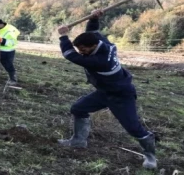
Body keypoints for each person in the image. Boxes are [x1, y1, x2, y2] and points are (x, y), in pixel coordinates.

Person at [57, 10, 157, 169]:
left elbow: (70, 55)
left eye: (83, 49)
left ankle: (151, 156)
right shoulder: (102, 42)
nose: (81, 52)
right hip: (105, 91)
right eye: (80, 49)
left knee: (133, 127)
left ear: (93, 46)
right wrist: (93, 18)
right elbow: (93, 32)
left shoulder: (100, 60)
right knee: (78, 108)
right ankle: (78, 140)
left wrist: (63, 36)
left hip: (121, 95)